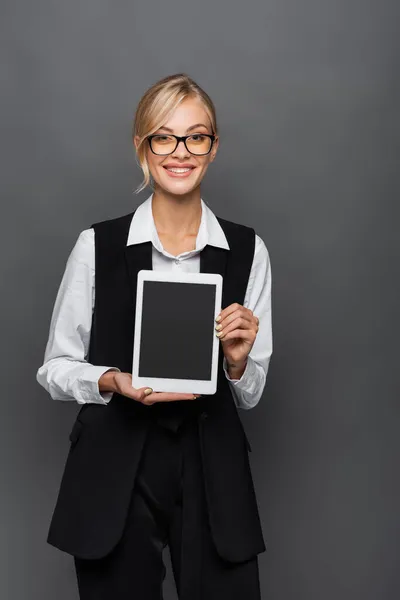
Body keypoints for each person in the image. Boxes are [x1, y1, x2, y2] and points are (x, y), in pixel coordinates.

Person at [36, 73, 273, 600]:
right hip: (116, 463)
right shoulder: (95, 245)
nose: (180, 151)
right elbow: (55, 367)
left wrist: (237, 362)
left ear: (213, 148)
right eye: (164, 136)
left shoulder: (248, 249)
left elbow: (252, 391)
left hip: (212, 461)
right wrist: (113, 380)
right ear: (142, 146)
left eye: (197, 136)